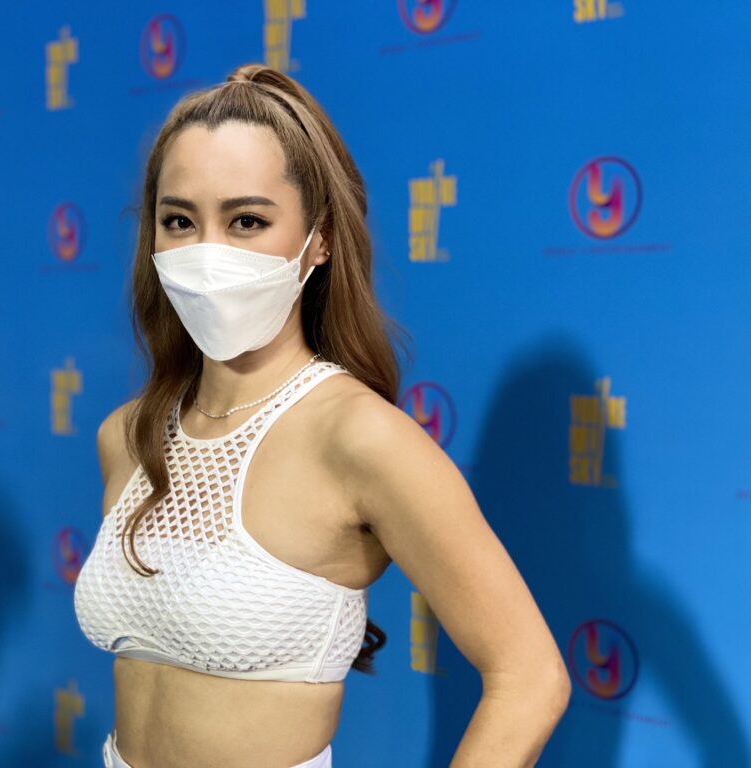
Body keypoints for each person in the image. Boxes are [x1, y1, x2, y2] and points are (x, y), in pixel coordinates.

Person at [73, 63, 570, 768]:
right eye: (179, 221)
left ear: (322, 237)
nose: (208, 252)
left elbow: (529, 677)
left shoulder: (359, 437)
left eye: (247, 221)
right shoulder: (127, 435)